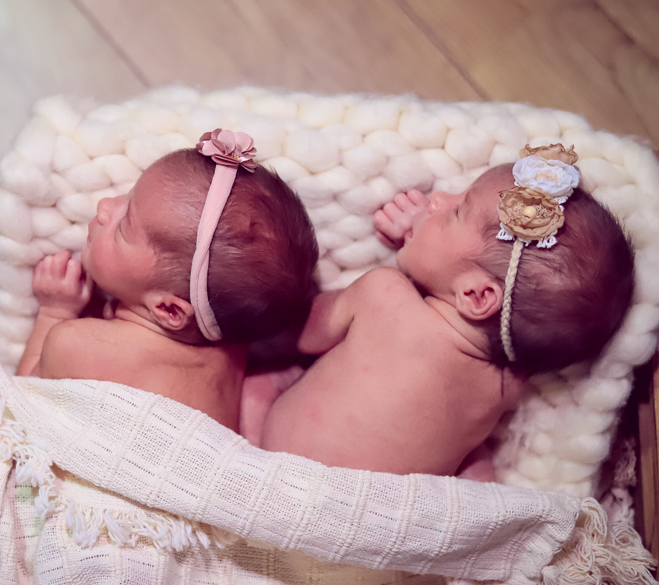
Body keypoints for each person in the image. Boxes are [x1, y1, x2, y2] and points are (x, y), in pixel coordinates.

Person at [257, 144, 635, 479]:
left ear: (475, 296)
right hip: (371, 535)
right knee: (472, 461)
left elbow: (302, 332)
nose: (438, 197)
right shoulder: (504, 392)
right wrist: (422, 240)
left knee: (264, 379)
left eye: (457, 211)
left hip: (276, 470)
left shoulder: (384, 294)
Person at [17, 130, 319, 432]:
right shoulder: (232, 356)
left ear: (170, 311)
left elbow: (17, 406)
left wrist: (53, 312)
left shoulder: (72, 344)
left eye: (124, 226)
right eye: (128, 196)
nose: (105, 206)